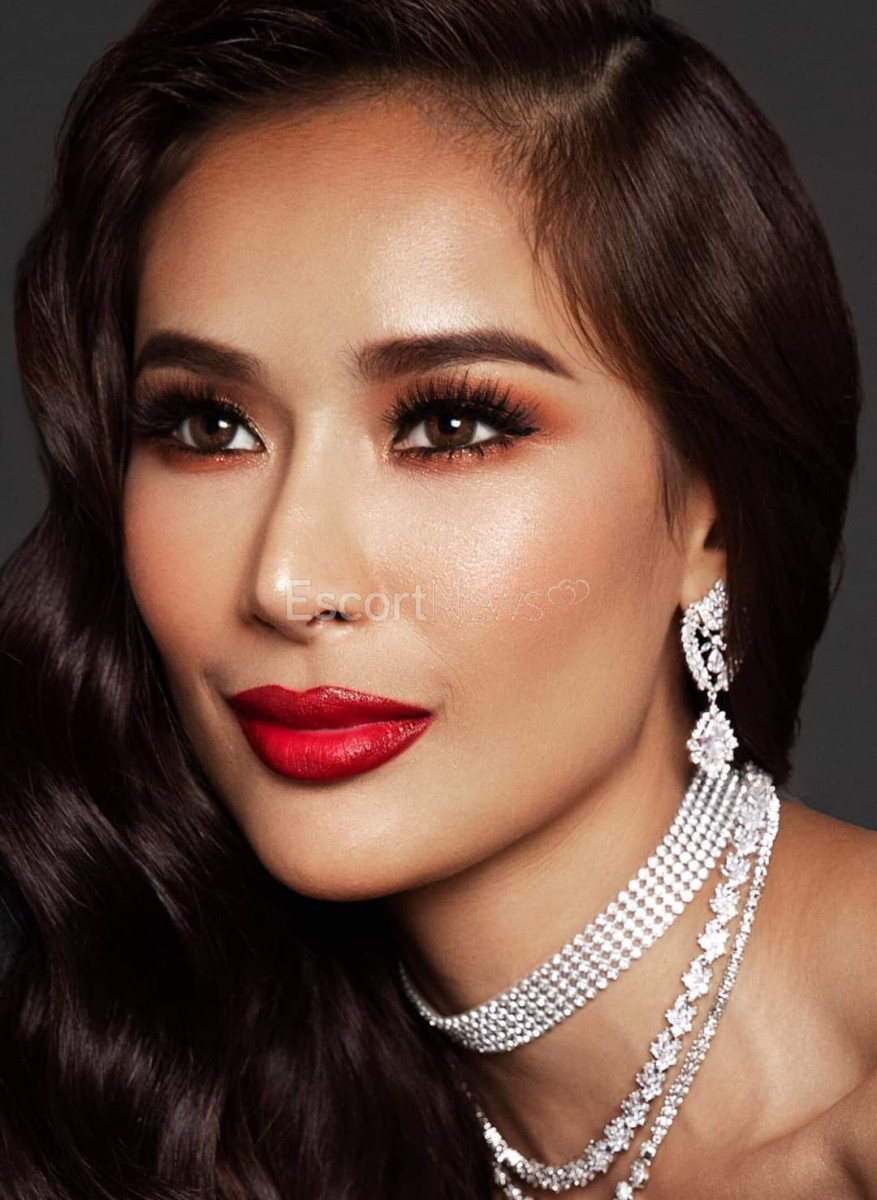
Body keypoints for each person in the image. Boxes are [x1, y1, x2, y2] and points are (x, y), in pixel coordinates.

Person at [0, 0, 874, 1196]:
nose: (287, 582)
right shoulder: (164, 1073)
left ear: (710, 520)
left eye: (450, 425)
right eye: (208, 426)